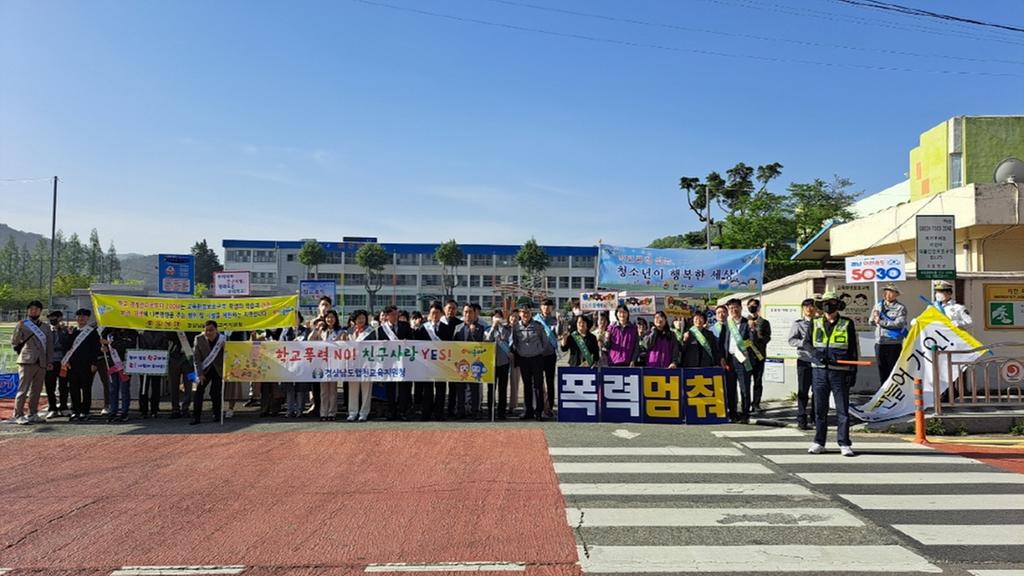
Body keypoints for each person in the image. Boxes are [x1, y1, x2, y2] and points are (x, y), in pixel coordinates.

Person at [804, 291, 859, 457]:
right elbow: (806, 343)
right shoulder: (815, 322)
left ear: (837, 304)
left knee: (842, 410)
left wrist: (853, 372)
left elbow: (853, 350)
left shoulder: (847, 323)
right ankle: (819, 442)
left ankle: (844, 443)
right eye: (826, 302)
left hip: (840, 373)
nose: (829, 305)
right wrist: (816, 354)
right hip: (819, 371)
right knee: (820, 410)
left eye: (832, 302)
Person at [9, 301, 54, 424]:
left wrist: (49, 360)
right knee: (23, 389)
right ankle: (18, 414)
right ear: (28, 311)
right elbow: (14, 342)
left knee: (37, 390)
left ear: (40, 311)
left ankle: (33, 413)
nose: (34, 311)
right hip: (27, 360)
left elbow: (49, 345)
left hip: (42, 362)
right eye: (31, 309)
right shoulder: (22, 324)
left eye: (37, 309)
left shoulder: (45, 326)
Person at [371, 305, 414, 421]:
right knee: (390, 388)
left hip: (403, 362)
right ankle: (391, 411)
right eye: (393, 314)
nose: (395, 316)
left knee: (404, 388)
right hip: (388, 363)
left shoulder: (405, 326)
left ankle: (403, 411)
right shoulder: (380, 329)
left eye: (397, 314)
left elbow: (412, 341)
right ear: (386, 316)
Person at [511, 300, 548, 421]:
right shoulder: (516, 327)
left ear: (531, 313)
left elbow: (545, 341)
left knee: (537, 385)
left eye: (527, 312)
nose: (525, 314)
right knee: (526, 385)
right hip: (523, 359)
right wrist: (520, 352)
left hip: (536, 358)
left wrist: (539, 350)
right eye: (523, 312)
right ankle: (528, 411)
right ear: (520, 314)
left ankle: (539, 411)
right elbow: (514, 342)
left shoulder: (538, 326)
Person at [719, 298, 753, 423]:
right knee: (730, 388)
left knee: (744, 388)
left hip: (743, 359)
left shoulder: (747, 323)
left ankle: (745, 414)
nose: (733, 310)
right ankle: (732, 414)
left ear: (740, 308)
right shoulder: (727, 324)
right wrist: (722, 358)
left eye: (736, 307)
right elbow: (722, 343)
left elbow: (752, 341)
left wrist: (744, 346)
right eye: (731, 308)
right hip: (729, 360)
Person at [64, 309, 101, 422]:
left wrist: (94, 363)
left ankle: (85, 411)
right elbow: (67, 347)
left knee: (86, 389)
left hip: (87, 364)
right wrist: (67, 361)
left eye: (84, 316)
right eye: (79, 316)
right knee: (73, 388)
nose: (81, 318)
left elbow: (96, 349)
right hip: (73, 365)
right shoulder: (72, 331)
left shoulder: (92, 332)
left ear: (87, 318)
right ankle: (76, 411)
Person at [452, 303, 486, 419]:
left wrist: (473, 332)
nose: (468, 314)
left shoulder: (480, 328)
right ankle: (460, 410)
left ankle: (475, 411)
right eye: (466, 312)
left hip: (475, 363)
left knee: (474, 388)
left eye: (470, 312)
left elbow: (482, 345)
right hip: (461, 363)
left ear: (474, 314)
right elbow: (453, 345)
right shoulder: (457, 328)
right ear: (463, 313)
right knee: (460, 388)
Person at [309, 310, 345, 421]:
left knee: (333, 389)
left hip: (334, 363)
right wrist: (316, 328)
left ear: (336, 319)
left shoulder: (340, 331)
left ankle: (332, 413)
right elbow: (310, 340)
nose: (330, 319)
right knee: (323, 390)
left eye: (332, 317)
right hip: (322, 363)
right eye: (328, 317)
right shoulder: (321, 331)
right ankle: (323, 412)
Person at [787, 298, 817, 430]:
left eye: (811, 307)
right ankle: (801, 417)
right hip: (804, 360)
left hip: (818, 361)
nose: (809, 309)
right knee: (803, 391)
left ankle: (816, 417)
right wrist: (803, 343)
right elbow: (791, 340)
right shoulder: (798, 324)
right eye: (806, 307)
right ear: (803, 309)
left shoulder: (820, 323)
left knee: (817, 391)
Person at [413, 302, 447, 421]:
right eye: (433, 313)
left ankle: (439, 413)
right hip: (426, 364)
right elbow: (416, 342)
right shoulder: (423, 327)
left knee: (441, 389)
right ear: (429, 314)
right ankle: (426, 413)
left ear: (441, 314)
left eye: (437, 313)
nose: (435, 315)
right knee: (427, 389)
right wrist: (415, 327)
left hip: (441, 364)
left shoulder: (446, 328)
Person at [870, 284, 907, 384]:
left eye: (890, 292)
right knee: (882, 369)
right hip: (880, 342)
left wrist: (881, 322)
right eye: (886, 291)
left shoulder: (900, 308)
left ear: (896, 294)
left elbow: (899, 324)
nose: (887, 294)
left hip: (893, 343)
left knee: (893, 369)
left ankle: (893, 390)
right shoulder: (878, 305)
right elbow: (871, 322)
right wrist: (875, 317)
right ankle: (883, 390)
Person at [190, 320, 226, 425]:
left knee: (215, 392)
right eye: (206, 330)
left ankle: (217, 414)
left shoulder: (223, 339)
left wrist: (225, 347)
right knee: (197, 391)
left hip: (218, 369)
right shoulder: (198, 339)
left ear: (216, 330)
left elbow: (229, 355)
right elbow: (196, 359)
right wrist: (199, 374)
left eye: (211, 330)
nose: (209, 333)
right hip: (203, 369)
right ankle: (196, 417)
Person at [346, 309, 374, 422]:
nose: (361, 320)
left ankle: (364, 412)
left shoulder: (371, 331)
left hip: (366, 363)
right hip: (352, 364)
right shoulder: (349, 331)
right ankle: (352, 412)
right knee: (353, 389)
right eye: (359, 318)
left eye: (363, 318)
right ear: (354, 320)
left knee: (366, 389)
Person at [44, 310, 72, 418]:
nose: (52, 319)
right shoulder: (45, 330)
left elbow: (69, 344)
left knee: (63, 386)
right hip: (50, 362)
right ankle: (52, 408)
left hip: (63, 362)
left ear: (60, 318)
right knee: (50, 386)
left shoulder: (65, 330)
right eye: (50, 317)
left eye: (55, 317)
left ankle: (64, 407)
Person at [486, 309, 513, 419]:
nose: (497, 319)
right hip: (491, 363)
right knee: (491, 389)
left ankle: (501, 412)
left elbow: (508, 340)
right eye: (495, 317)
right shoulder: (487, 329)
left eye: (499, 317)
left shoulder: (506, 330)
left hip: (503, 362)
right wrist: (493, 327)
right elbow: (487, 340)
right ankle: (490, 411)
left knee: (503, 388)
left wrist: (500, 327)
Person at [746, 298, 772, 412]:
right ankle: (745, 403)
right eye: (750, 306)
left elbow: (767, 337)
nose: (752, 307)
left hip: (759, 355)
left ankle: (756, 403)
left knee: (758, 381)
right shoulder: (743, 321)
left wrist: (757, 334)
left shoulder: (764, 322)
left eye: (754, 306)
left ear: (758, 307)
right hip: (746, 356)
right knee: (745, 381)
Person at [439, 299, 463, 417]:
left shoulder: (460, 324)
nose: (451, 310)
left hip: (455, 359)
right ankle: (439, 408)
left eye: (454, 308)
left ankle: (451, 409)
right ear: (444, 309)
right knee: (440, 385)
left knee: (453, 386)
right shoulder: (438, 322)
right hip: (440, 360)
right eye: (449, 308)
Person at [537, 298, 560, 418]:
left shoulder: (555, 320)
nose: (546, 308)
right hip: (538, 355)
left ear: (552, 308)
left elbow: (559, 334)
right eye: (544, 305)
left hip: (550, 355)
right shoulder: (536, 320)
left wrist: (560, 323)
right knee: (539, 383)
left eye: (548, 306)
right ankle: (540, 408)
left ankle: (550, 407)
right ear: (541, 307)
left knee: (550, 382)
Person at [137, 330, 168, 418]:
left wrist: (155, 352)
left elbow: (164, 346)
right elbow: (141, 346)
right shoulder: (141, 332)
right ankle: (143, 409)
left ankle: (154, 409)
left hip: (157, 362)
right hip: (145, 362)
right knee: (144, 387)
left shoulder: (162, 333)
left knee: (156, 386)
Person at [167, 331, 197, 419]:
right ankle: (175, 409)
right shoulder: (173, 324)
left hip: (189, 358)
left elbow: (196, 336)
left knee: (189, 384)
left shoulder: (191, 323)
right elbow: (167, 335)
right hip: (174, 357)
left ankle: (186, 408)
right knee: (173, 384)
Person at [507, 308, 522, 415]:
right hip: (504, 358)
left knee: (514, 382)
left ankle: (513, 405)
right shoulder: (504, 328)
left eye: (516, 317)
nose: (514, 318)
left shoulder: (522, 329)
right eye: (512, 316)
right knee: (503, 383)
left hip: (518, 358)